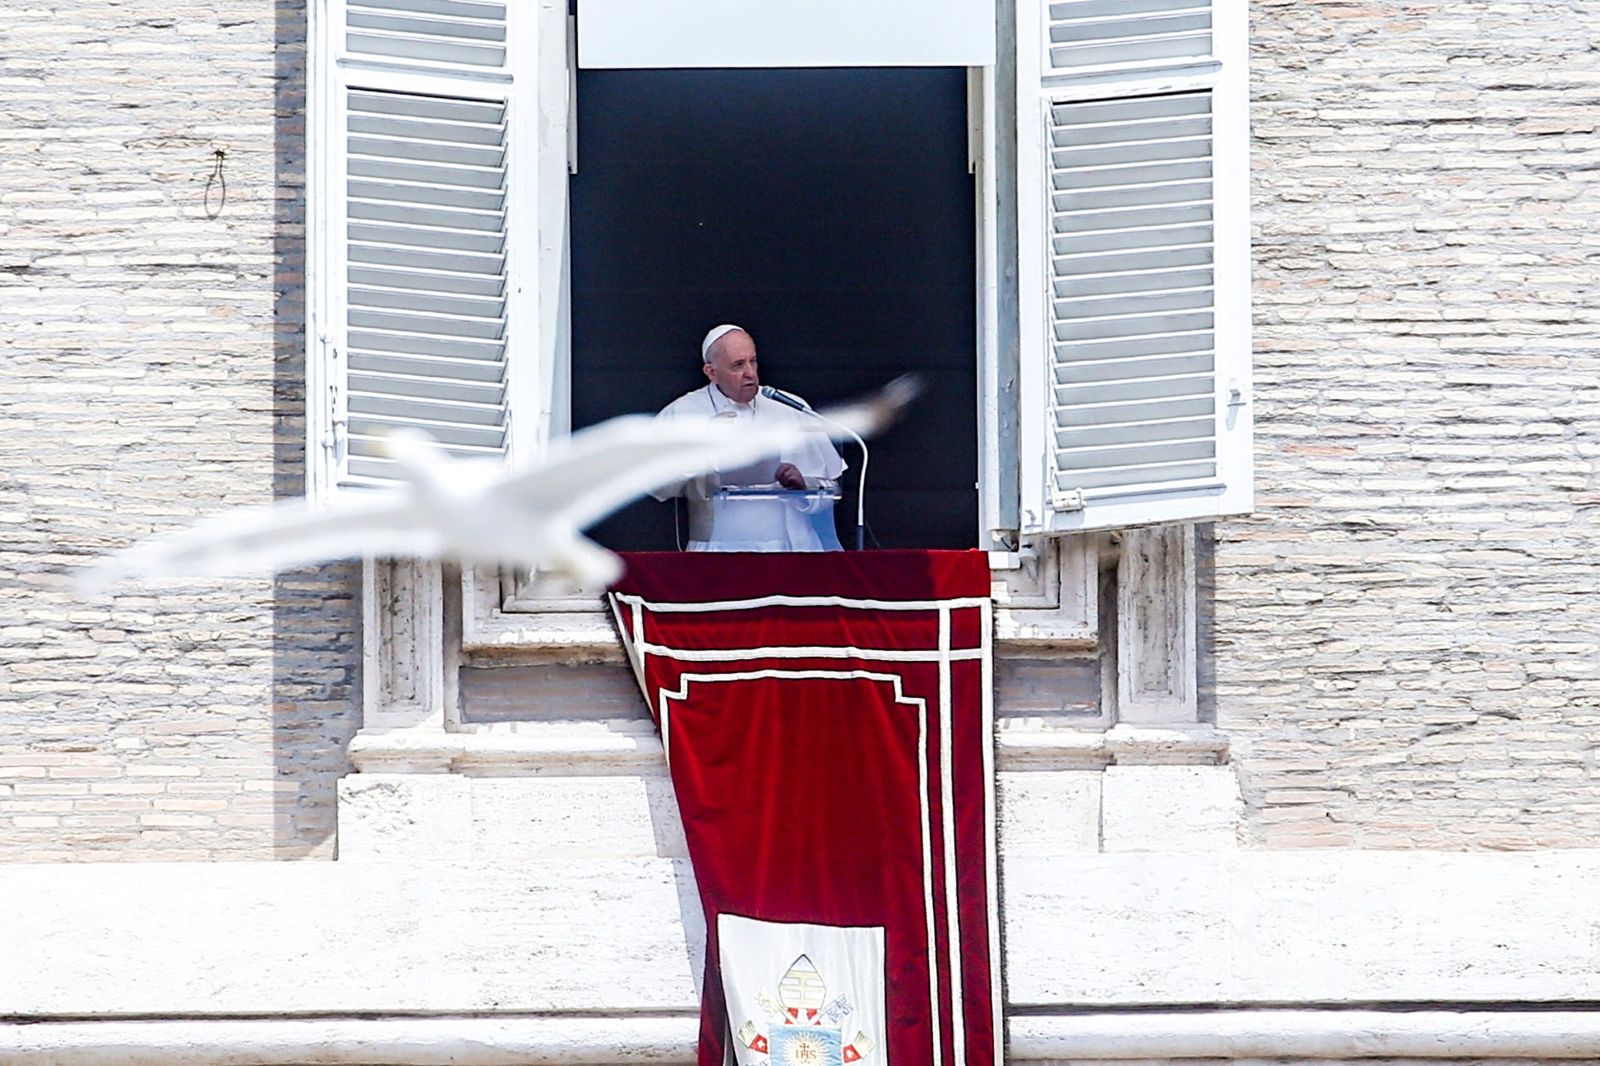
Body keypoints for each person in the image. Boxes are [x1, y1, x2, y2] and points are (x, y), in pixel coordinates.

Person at [653, 325, 845, 552]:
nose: (750, 373)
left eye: (753, 361)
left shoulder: (790, 407)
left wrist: (802, 486)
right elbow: (656, 487)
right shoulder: (684, 412)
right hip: (717, 551)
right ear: (711, 372)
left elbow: (831, 490)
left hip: (790, 550)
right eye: (738, 365)